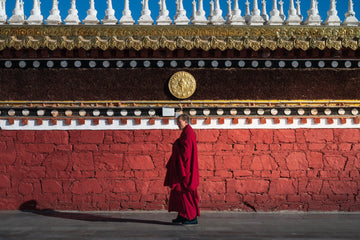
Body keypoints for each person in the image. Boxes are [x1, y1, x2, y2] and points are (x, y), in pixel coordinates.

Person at [164, 113, 200, 225]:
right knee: (178, 193)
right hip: (182, 169)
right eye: (177, 122)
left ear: (186, 122)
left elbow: (186, 153)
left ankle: (192, 217)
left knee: (186, 192)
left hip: (186, 170)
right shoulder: (186, 132)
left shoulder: (189, 133)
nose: (177, 125)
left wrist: (176, 145)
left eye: (179, 122)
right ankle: (182, 215)